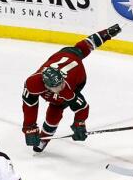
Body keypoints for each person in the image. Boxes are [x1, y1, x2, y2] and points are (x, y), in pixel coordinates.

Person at [21, 24, 121, 153]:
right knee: (54, 101)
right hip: (59, 61)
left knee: (55, 109)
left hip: (76, 73)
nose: (61, 87)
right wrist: (29, 127)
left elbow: (83, 107)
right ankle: (44, 135)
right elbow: (29, 105)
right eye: (57, 87)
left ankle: (44, 138)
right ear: (46, 85)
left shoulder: (66, 89)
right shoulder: (33, 83)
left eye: (61, 84)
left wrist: (79, 123)